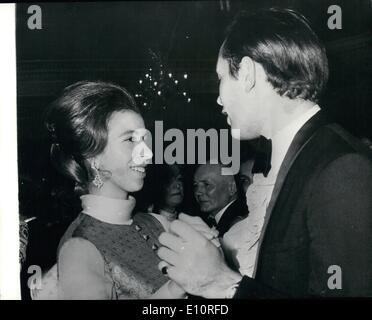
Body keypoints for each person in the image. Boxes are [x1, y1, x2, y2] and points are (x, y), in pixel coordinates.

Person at [157, 8, 372, 298]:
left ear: (246, 74)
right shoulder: (302, 156)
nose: (219, 98)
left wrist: (222, 282)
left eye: (221, 77)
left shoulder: (340, 168)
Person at [32, 81, 185, 299]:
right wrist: (177, 288)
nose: (148, 153)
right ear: (94, 158)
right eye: (130, 139)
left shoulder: (156, 223)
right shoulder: (79, 247)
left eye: (145, 139)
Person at [193, 162, 247, 237]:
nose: (198, 192)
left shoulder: (238, 224)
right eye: (195, 185)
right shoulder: (211, 220)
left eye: (207, 184)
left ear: (232, 188)